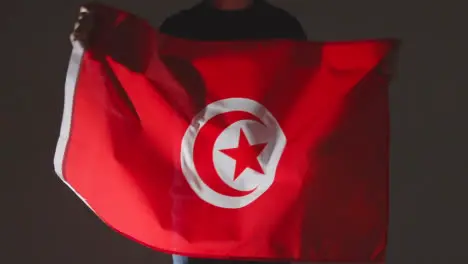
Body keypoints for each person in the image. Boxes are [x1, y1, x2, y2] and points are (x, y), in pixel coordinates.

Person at [71, 1, 306, 264]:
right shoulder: (177, 30)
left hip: (263, 207)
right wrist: (96, 44)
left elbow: (301, 110)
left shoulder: (283, 28)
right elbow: (146, 96)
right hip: (194, 202)